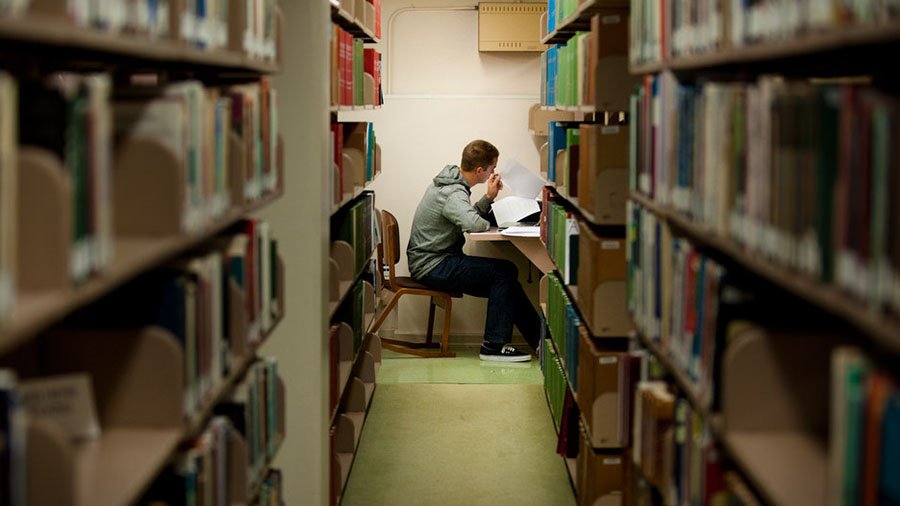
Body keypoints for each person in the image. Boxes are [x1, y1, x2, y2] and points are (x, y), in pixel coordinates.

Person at [406, 139, 542, 362]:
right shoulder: (453, 193)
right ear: (480, 170)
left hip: (435, 260)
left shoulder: (450, 184)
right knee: (504, 272)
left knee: (507, 283)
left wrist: (489, 198)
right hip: (433, 266)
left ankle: (539, 342)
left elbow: (466, 214)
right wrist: (490, 210)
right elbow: (473, 224)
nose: (494, 173)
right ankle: (493, 347)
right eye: (492, 169)